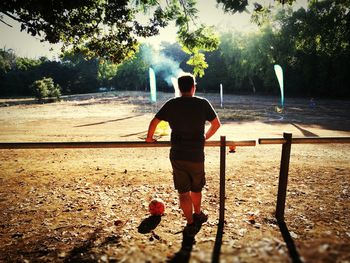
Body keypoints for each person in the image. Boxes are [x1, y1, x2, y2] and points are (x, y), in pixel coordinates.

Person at [145, 73, 221, 236]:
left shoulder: (172, 104)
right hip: (196, 155)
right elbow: (216, 124)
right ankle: (198, 213)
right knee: (196, 188)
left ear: (179, 88)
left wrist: (150, 138)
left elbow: (154, 121)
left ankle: (191, 222)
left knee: (183, 192)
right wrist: (204, 138)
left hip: (178, 155)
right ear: (194, 87)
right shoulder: (202, 103)